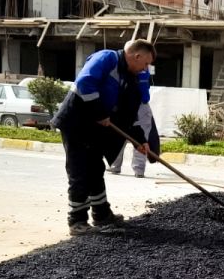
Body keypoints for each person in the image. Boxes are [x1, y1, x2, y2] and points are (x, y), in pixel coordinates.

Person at [50, 39, 156, 234]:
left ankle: (101, 215)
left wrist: (140, 141)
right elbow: (84, 83)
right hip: (76, 123)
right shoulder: (106, 58)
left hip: (94, 128)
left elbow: (129, 113)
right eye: (145, 63)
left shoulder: (130, 76)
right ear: (136, 56)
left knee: (95, 169)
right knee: (79, 170)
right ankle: (77, 221)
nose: (145, 68)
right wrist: (100, 113)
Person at [108, 74, 161, 178]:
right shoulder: (140, 67)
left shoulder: (127, 68)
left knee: (121, 133)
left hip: (129, 104)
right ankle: (139, 170)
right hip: (139, 105)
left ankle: (115, 166)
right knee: (139, 137)